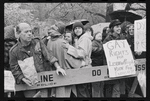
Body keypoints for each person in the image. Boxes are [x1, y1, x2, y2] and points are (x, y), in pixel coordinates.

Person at [9, 22, 66, 98]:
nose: (30, 34)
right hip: (29, 83)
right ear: (19, 34)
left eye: (30, 31)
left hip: (43, 79)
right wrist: (22, 78)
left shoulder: (37, 41)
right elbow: (14, 68)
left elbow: (48, 55)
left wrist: (58, 67)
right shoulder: (14, 51)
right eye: (26, 32)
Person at [47, 22, 77, 97]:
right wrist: (81, 63)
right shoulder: (63, 43)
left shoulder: (49, 41)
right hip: (64, 73)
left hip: (54, 73)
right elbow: (69, 60)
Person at [63, 21, 93, 97]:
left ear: (82, 29)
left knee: (81, 91)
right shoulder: (80, 38)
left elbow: (82, 53)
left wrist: (69, 47)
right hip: (84, 67)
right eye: (75, 28)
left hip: (84, 67)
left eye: (79, 28)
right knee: (84, 90)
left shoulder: (84, 39)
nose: (77, 30)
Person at [103, 19, 126, 97]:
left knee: (117, 89)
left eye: (119, 26)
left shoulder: (122, 38)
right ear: (112, 28)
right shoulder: (107, 39)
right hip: (111, 68)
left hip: (120, 69)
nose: (119, 28)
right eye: (117, 27)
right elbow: (105, 54)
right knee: (109, 89)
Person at [91, 31, 104, 97]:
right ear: (94, 37)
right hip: (96, 65)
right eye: (98, 35)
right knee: (96, 84)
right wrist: (102, 49)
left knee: (101, 83)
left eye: (101, 35)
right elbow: (93, 50)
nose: (100, 36)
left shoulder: (101, 43)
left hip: (100, 64)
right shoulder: (93, 43)